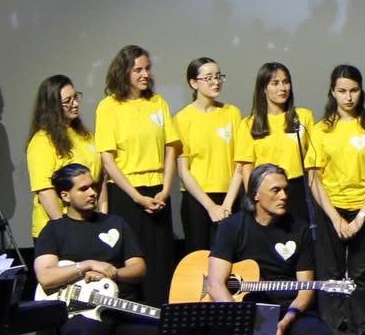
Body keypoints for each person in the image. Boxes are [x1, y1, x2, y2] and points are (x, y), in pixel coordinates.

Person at [31, 163, 176, 335]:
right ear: (65, 196)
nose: (92, 193)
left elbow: (139, 267)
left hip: (118, 310)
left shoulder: (116, 223)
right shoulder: (54, 231)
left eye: (93, 186)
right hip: (81, 316)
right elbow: (45, 276)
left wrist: (113, 273)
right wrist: (86, 265)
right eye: (83, 189)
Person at [205, 163, 341, 335]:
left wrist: (286, 321)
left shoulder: (299, 229)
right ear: (256, 194)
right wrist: (243, 322)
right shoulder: (232, 227)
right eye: (276, 190)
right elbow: (215, 284)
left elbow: (305, 288)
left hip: (289, 309)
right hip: (246, 311)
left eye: (285, 190)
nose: (284, 196)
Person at [93, 45, 180, 305]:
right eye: (138, 70)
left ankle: (163, 315)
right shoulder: (109, 107)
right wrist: (136, 197)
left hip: (158, 192)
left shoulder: (158, 102)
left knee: (161, 260)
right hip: (127, 193)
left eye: (147, 68)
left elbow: (170, 149)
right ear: (124, 72)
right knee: (132, 259)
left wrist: (166, 189)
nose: (145, 74)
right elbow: (108, 160)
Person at [306, 64, 365, 335]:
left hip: (364, 210)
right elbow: (314, 177)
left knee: (359, 275)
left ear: (361, 91)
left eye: (353, 90)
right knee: (332, 276)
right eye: (342, 91)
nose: (348, 97)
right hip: (330, 209)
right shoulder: (321, 129)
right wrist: (336, 218)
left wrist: (360, 216)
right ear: (332, 92)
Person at [234, 62, 317, 238]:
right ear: (263, 88)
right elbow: (247, 168)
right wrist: (254, 198)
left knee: (298, 240)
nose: (282, 88)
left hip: (297, 190)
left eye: (286, 82)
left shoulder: (303, 117)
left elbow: (313, 163)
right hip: (265, 192)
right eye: (275, 83)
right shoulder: (248, 124)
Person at [174, 57, 241, 252]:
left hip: (230, 197)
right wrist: (211, 207)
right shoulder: (182, 119)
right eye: (209, 77)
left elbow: (240, 163)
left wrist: (227, 203)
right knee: (199, 258)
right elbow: (183, 171)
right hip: (197, 201)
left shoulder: (232, 113)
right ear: (193, 83)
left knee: (232, 256)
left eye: (218, 76)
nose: (216, 82)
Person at [24, 75, 101, 239]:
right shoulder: (42, 141)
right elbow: (45, 191)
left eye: (76, 97)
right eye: (68, 101)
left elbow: (99, 178)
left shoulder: (85, 135)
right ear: (52, 106)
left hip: (89, 223)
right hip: (58, 231)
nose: (75, 104)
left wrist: (103, 219)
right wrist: (66, 230)